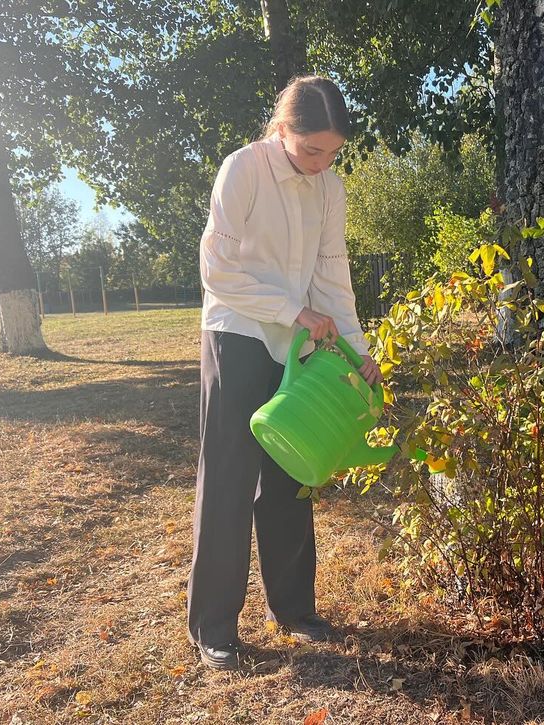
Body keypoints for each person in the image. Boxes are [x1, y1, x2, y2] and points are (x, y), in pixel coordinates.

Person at [187, 75, 383, 670]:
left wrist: (357, 347)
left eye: (332, 153)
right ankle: (214, 628)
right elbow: (216, 269)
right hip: (239, 335)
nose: (321, 163)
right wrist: (290, 309)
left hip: (297, 347)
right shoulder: (242, 169)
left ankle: (294, 610)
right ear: (282, 130)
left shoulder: (331, 189)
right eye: (311, 150)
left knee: (291, 477)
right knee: (227, 480)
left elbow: (332, 279)